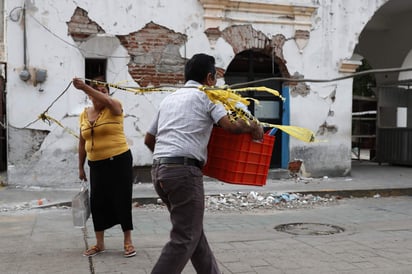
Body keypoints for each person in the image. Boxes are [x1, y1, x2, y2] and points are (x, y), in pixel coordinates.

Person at [144, 53, 263, 274]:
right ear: (209, 78)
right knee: (185, 237)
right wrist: (253, 125)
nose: (216, 83)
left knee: (193, 232)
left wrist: (167, 160)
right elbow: (231, 126)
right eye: (215, 78)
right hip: (183, 173)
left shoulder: (170, 99)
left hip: (158, 170)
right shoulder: (208, 95)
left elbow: (149, 139)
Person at [73, 77, 136, 258]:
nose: (101, 94)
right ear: (90, 96)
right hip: (96, 164)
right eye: (97, 91)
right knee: (97, 202)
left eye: (104, 90)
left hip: (119, 161)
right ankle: (99, 244)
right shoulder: (84, 114)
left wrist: (85, 87)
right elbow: (81, 142)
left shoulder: (114, 106)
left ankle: (128, 241)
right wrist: (80, 167)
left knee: (122, 199)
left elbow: (107, 100)